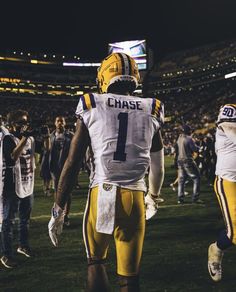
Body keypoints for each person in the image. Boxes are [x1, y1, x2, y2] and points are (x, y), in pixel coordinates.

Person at [48, 52, 165, 291]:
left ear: (105, 76)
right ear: (134, 77)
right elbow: (158, 162)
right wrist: (153, 196)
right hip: (135, 196)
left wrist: (58, 208)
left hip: (103, 192)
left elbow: (72, 162)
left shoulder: (92, 103)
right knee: (129, 277)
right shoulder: (152, 106)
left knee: (96, 262)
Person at [0, 110, 50, 269]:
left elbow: (46, 150)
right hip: (12, 185)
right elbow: (12, 157)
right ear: (12, 124)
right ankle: (6, 254)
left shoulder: (29, 139)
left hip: (27, 183)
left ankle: (23, 245)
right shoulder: (8, 138)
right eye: (21, 123)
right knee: (8, 222)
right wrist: (25, 137)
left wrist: (47, 135)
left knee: (25, 219)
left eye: (25, 122)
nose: (24, 126)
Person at [208, 101, 236, 282]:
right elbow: (232, 132)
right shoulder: (230, 109)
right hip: (229, 181)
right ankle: (216, 250)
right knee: (235, 234)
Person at [48, 116, 74, 226]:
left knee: (67, 192)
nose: (59, 123)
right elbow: (48, 151)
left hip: (67, 167)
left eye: (61, 121)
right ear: (55, 123)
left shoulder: (71, 135)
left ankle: (66, 215)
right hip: (55, 168)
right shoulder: (51, 135)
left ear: (64, 123)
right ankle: (58, 215)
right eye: (57, 121)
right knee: (57, 192)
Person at [176, 124, 201, 204]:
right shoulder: (189, 139)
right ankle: (195, 198)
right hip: (187, 160)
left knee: (181, 181)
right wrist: (198, 146)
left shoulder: (179, 138)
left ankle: (180, 198)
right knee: (196, 178)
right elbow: (195, 149)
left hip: (180, 160)